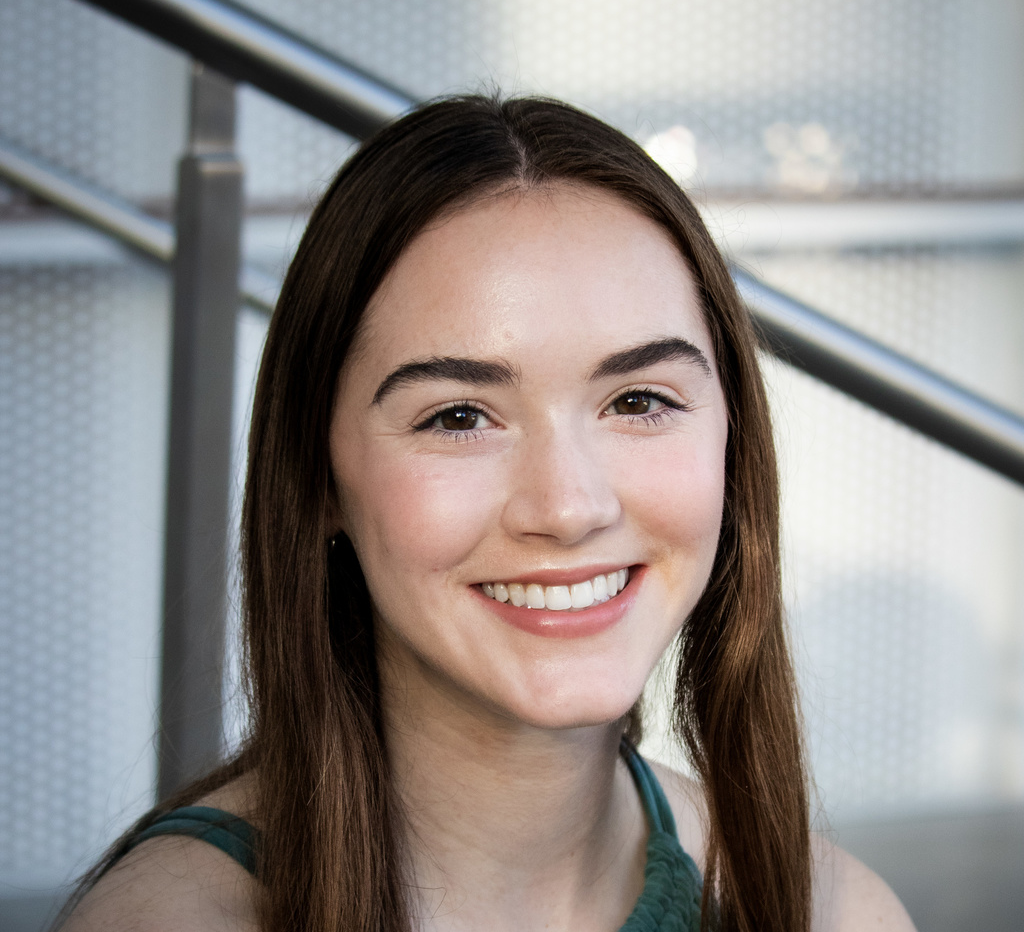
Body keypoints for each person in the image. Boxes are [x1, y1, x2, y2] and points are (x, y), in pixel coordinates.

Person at [60, 95, 914, 932]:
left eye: (641, 399)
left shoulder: (836, 911)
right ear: (318, 476)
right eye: (459, 416)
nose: (570, 507)